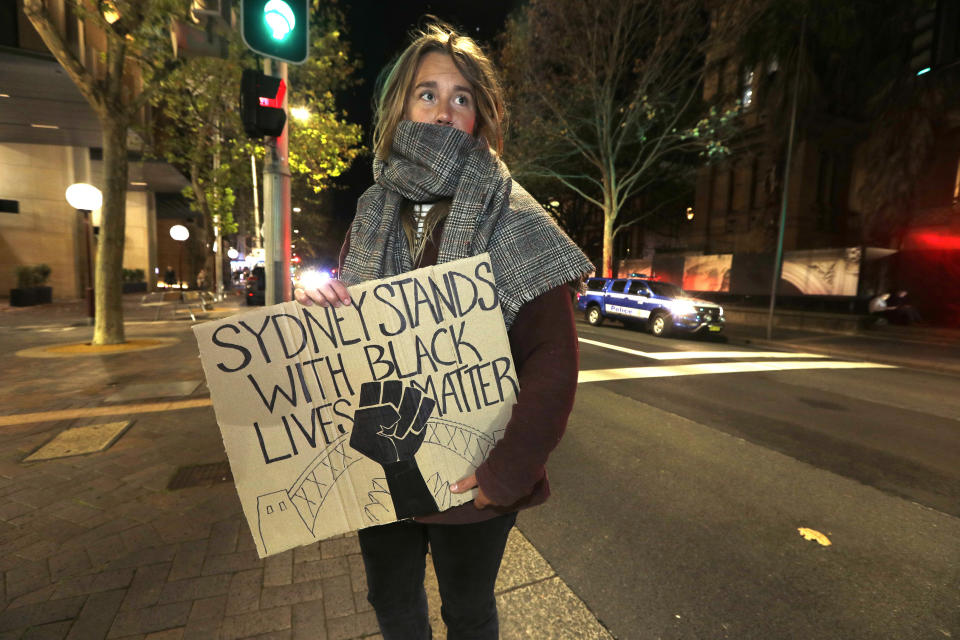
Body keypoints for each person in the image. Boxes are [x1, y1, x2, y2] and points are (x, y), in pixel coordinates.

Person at [294, 22, 592, 640]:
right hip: (378, 464)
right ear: (400, 104)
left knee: (468, 612)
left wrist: (506, 472)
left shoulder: (516, 219)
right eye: (427, 93)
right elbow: (350, 334)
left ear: (480, 116)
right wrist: (318, 299)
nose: (443, 109)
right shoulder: (373, 211)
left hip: (470, 478)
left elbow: (553, 362)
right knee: (393, 605)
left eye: (462, 97)